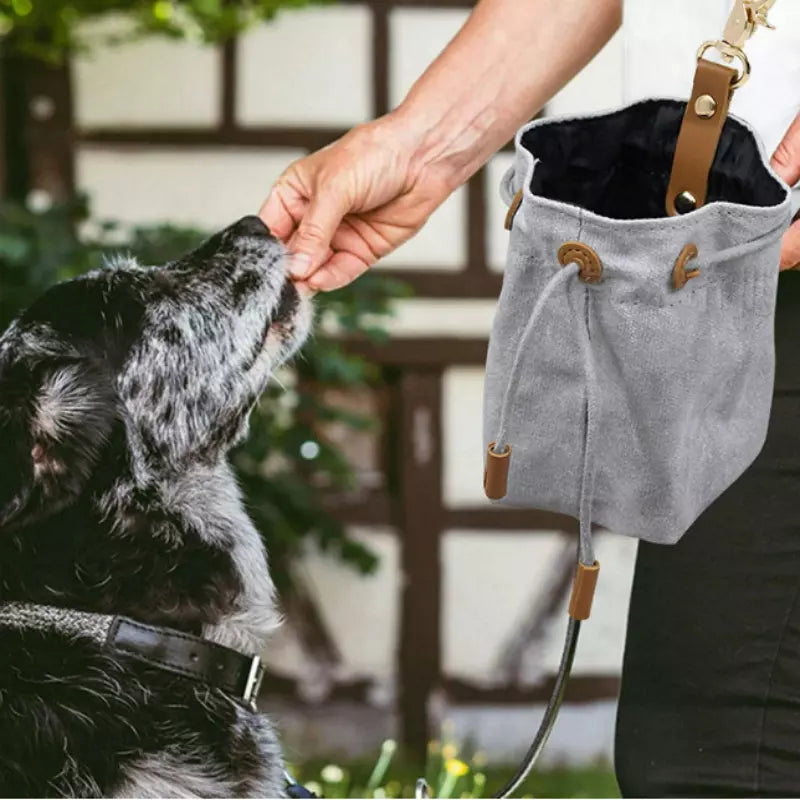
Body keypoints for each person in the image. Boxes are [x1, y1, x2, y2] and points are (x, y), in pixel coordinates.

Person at [260, 0, 800, 795]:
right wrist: (422, 146)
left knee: (722, 759)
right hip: (753, 258)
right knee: (705, 752)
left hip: (754, 242)